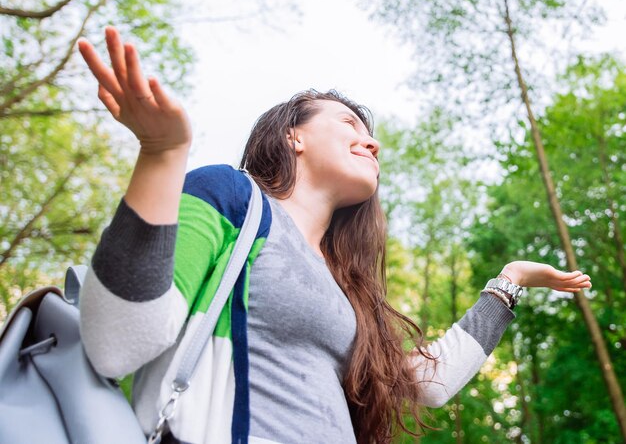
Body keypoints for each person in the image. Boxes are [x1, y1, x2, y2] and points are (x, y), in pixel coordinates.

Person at [77, 27, 592, 444]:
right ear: (293, 136)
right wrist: (162, 154)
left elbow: (426, 385)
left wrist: (509, 282)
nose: (372, 141)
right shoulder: (232, 198)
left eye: (371, 134)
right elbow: (114, 344)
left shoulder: (346, 287)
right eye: (349, 123)